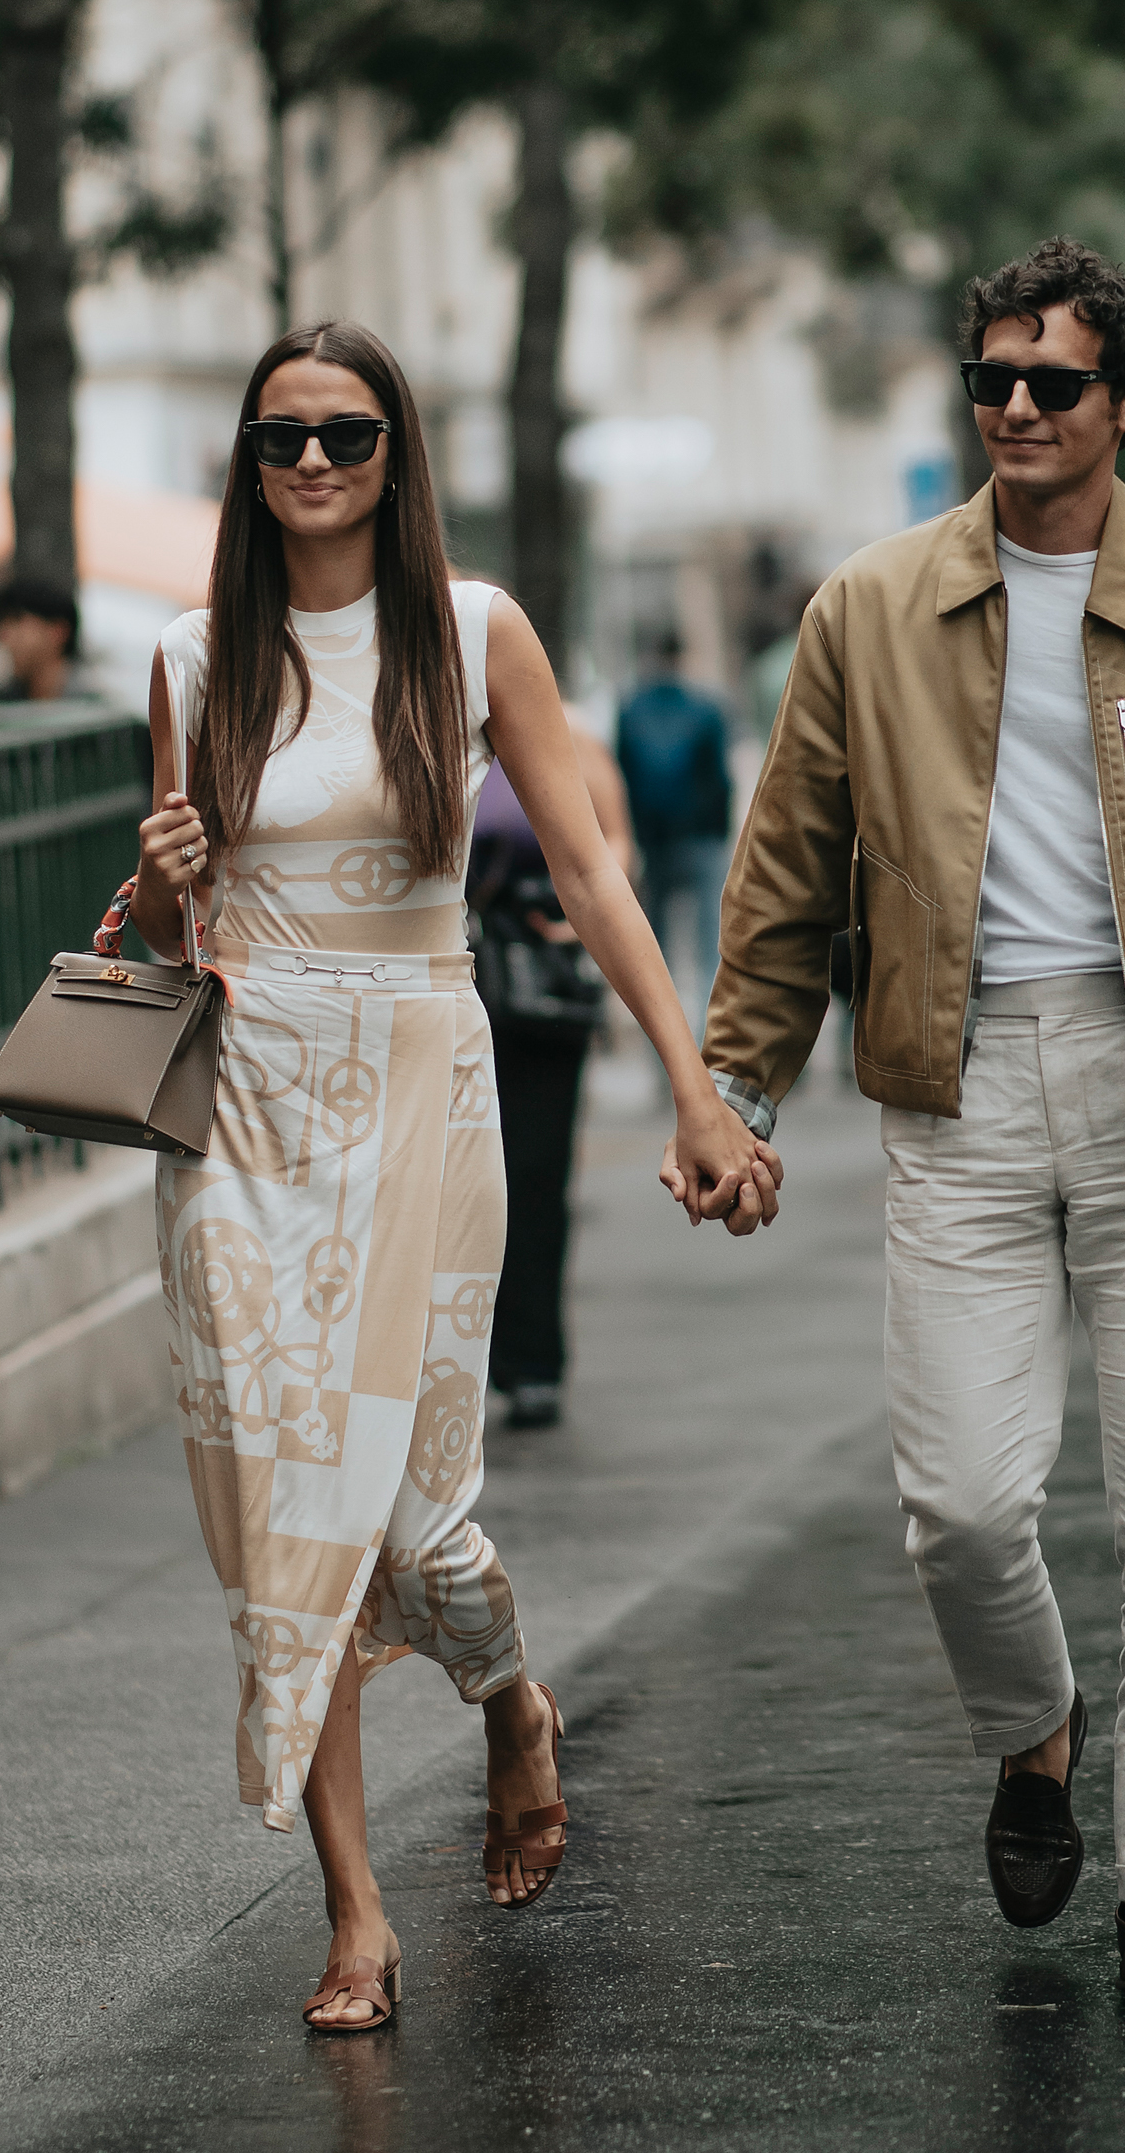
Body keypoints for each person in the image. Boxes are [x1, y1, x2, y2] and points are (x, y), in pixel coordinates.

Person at [673, 236, 1125, 2004]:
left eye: (1050, 382)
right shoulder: (869, 608)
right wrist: (731, 1084)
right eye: (988, 379)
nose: (1012, 408)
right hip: (960, 1080)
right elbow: (779, 873)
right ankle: (1035, 1729)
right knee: (963, 1508)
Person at [128, 321, 778, 2032]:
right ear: (249, 462)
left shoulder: (474, 632)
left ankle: (508, 1703)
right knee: (288, 1500)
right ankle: (353, 1917)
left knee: (413, 1506)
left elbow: (589, 865)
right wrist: (161, 878)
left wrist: (695, 1093)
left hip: (421, 1079)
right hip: (246, 1114)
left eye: (346, 433)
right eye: (281, 436)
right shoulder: (192, 658)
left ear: (397, 452)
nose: (314, 462)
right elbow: (159, 938)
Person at [467, 722, 634, 1427]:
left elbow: (614, 843)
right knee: (457, 1185)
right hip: (449, 980)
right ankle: (467, 1361)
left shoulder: (565, 738)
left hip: (540, 986)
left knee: (534, 1176)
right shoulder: (415, 733)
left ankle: (532, 1364)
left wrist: (580, 915)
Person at [617, 629, 732, 1025]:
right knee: (707, 950)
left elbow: (623, 781)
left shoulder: (631, 709)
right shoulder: (706, 707)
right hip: (702, 840)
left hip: (653, 843)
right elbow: (720, 778)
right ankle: (707, 1040)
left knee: (657, 951)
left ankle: (663, 1053)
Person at [0, 579, 94, 701]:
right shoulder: (3, 703)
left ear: (58, 631)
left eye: (16, 620)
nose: (0, 633)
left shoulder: (96, 709)